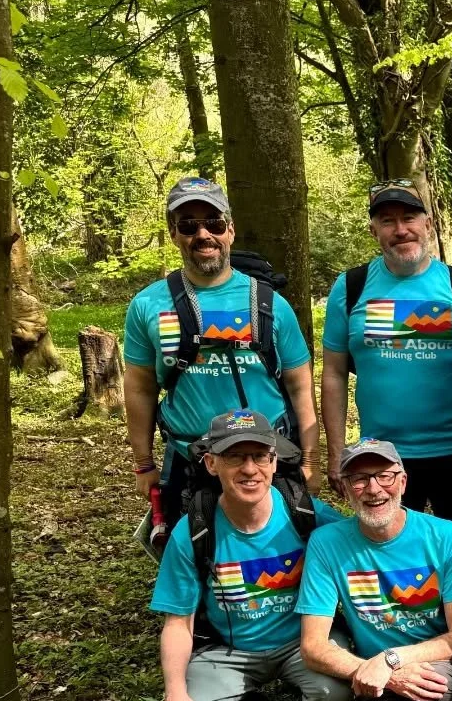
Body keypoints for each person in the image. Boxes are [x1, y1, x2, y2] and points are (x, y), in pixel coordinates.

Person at [321, 180, 452, 585]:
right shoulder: (351, 288)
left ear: (428, 224)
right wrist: (335, 451)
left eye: (409, 218)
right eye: (388, 220)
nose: (401, 229)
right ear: (374, 230)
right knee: (389, 556)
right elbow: (333, 373)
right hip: (381, 456)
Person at [124, 177, 320, 531]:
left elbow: (300, 385)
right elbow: (140, 387)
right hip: (188, 461)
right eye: (188, 225)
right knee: (192, 553)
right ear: (174, 233)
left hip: (266, 461)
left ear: (230, 230)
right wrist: (143, 462)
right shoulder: (148, 304)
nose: (203, 234)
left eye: (213, 223)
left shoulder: (270, 303)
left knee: (278, 555)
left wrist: (310, 460)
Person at [150, 410, 350, 701]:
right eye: (235, 457)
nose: (249, 469)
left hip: (303, 642)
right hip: (230, 650)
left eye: (259, 456)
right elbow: (178, 623)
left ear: (274, 462)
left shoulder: (305, 513)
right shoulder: (194, 529)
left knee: (336, 693)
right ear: (212, 464)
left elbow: (361, 551)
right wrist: (175, 695)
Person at [296, 438, 452, 701]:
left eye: (384, 475)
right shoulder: (327, 543)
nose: (374, 488)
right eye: (360, 479)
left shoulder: (446, 536)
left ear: (403, 481)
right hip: (371, 672)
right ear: (345, 487)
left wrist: (391, 660)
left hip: (434, 658)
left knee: (440, 688)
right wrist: (379, 671)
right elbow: (313, 646)